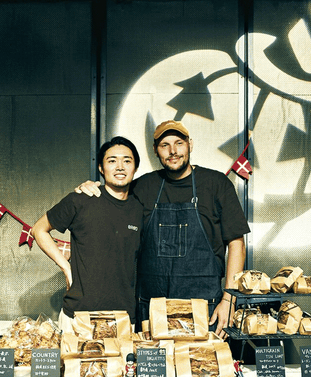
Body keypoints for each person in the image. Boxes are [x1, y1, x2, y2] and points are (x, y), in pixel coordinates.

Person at [77, 120, 249, 337]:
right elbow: (112, 199)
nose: (173, 151)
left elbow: (236, 244)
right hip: (151, 308)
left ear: (190, 145)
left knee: (202, 367)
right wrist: (90, 188)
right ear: (155, 150)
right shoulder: (142, 186)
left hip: (205, 307)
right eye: (164, 145)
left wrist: (229, 300)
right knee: (155, 369)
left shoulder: (216, 184)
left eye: (179, 143)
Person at [31, 136, 143, 329]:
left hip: (123, 317)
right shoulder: (82, 199)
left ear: (135, 167)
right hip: (79, 316)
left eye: (127, 161)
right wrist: (66, 267)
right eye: (112, 161)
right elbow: (39, 229)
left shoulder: (140, 207)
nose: (120, 167)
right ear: (101, 168)